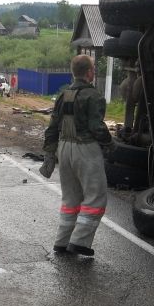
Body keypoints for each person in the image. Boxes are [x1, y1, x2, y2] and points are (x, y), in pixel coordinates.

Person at [40, 54, 115, 256]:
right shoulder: (94, 96)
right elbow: (96, 127)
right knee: (95, 197)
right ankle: (80, 242)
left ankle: (62, 242)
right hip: (85, 149)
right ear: (90, 72)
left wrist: (49, 153)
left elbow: (52, 128)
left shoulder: (63, 95)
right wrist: (111, 144)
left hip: (64, 148)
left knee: (70, 199)